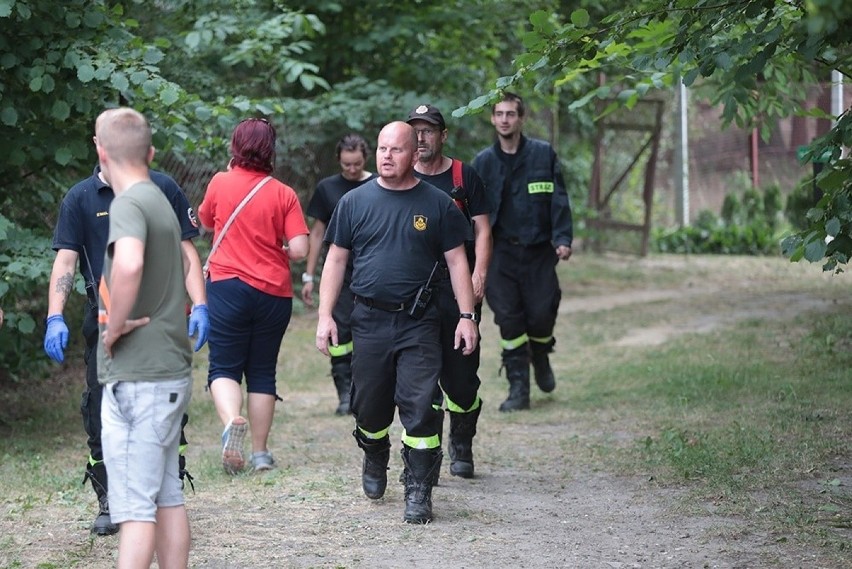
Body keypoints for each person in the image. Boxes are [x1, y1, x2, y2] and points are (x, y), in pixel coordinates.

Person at [44, 130, 208, 537]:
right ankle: (110, 497)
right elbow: (66, 262)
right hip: (101, 315)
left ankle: (166, 490)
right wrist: (54, 315)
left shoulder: (163, 187)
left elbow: (188, 253)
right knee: (101, 407)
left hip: (161, 312)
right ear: (98, 146)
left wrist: (201, 305)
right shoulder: (80, 198)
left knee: (165, 402)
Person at [316, 121, 479, 524]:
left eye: (396, 150)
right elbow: (335, 260)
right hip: (368, 321)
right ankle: (375, 456)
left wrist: (466, 316)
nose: (387, 156)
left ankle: (418, 491)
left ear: (414, 153)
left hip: (419, 322)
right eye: (382, 149)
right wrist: (324, 315)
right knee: (369, 409)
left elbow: (458, 260)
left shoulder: (437, 203)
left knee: (420, 405)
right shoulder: (354, 203)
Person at [94, 107, 194, 569]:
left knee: (134, 508)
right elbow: (187, 263)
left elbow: (129, 263)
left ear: (101, 151)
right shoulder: (158, 197)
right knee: (166, 495)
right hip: (169, 372)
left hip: (140, 376)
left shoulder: (128, 203)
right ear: (150, 153)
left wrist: (114, 326)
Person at [199, 117, 309, 475]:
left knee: (224, 366)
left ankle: (233, 420)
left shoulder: (220, 182)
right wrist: (276, 244)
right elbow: (300, 249)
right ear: (270, 150)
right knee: (262, 371)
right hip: (273, 293)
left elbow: (205, 223)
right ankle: (261, 454)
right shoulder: (284, 193)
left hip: (228, 287)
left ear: (235, 146)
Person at [471, 92, 573, 412]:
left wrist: (562, 238)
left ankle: (541, 355)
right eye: (499, 114)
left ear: (521, 118)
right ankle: (519, 388)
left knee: (542, 315)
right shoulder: (483, 163)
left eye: (511, 114)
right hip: (500, 253)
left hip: (539, 251)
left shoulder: (543, 155)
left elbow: (559, 198)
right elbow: (471, 212)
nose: (504, 119)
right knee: (510, 321)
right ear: (492, 119)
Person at [407, 104, 492, 478]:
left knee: (460, 378)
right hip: (415, 298)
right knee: (422, 379)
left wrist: (479, 276)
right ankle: (430, 455)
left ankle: (463, 439)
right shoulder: (402, 178)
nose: (421, 137)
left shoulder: (464, 176)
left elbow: (484, 230)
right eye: (416, 130)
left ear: (443, 135)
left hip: (457, 292)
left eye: (428, 130)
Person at [302, 134, 374, 415]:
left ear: (365, 158)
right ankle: (345, 393)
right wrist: (309, 276)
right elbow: (317, 233)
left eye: (356, 164)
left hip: (371, 271)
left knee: (369, 332)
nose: (352, 170)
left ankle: (366, 390)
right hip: (340, 274)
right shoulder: (327, 188)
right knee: (339, 334)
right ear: (339, 161)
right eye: (346, 165)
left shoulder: (377, 184)